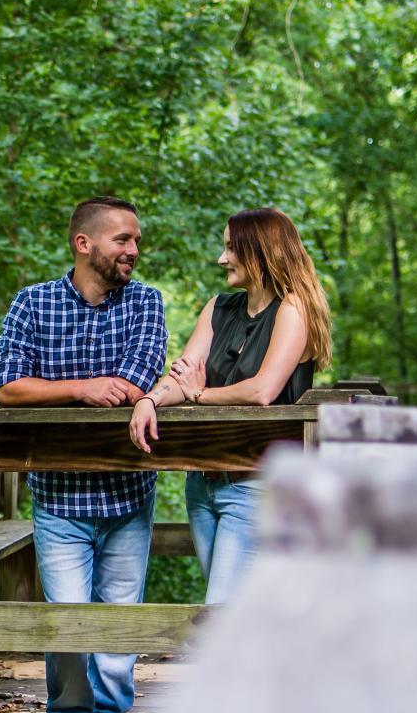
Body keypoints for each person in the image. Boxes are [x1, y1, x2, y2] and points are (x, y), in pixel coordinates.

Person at [0, 196, 167, 713]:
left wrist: (112, 385)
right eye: (123, 240)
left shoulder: (145, 301)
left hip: (128, 491)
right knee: (66, 613)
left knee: (119, 616)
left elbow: (141, 372)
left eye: (136, 241)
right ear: (84, 243)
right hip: (59, 494)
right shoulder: (33, 303)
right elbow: (8, 388)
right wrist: (82, 387)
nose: (134, 251)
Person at [127, 207, 332, 604]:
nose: (222, 259)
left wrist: (199, 394)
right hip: (203, 482)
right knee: (236, 611)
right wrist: (150, 399)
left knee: (221, 612)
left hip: (258, 482)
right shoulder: (218, 308)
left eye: (230, 248)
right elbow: (180, 376)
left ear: (260, 250)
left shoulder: (293, 309)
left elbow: (262, 391)